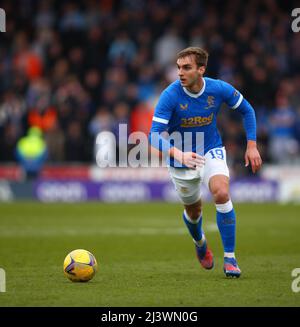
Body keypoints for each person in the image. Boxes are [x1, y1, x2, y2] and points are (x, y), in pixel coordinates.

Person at [149, 47, 262, 278]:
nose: (180, 72)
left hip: (211, 149)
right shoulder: (170, 95)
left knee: (221, 193)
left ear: (201, 69)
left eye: (187, 67)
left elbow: (247, 110)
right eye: (179, 67)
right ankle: (200, 242)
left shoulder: (218, 88)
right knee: (193, 211)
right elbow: (153, 134)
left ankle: (230, 258)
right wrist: (178, 154)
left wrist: (251, 145)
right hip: (181, 158)